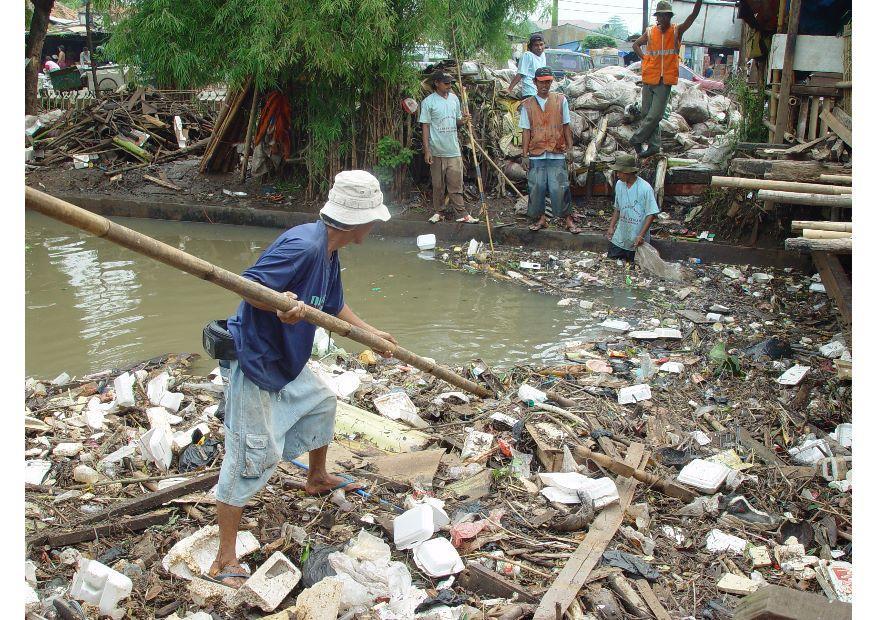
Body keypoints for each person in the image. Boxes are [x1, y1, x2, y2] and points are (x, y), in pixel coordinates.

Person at [207, 170, 397, 587]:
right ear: (357, 221)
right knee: (249, 458)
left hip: (284, 362)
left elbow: (334, 305)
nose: (375, 226)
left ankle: (316, 477)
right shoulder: (304, 245)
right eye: (374, 219)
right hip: (256, 362)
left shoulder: (329, 253)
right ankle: (223, 559)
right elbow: (250, 286)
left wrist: (370, 334)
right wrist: (278, 304)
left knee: (321, 403)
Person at [630, 0, 704, 158]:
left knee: (655, 115)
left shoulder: (677, 30)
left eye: (665, 16)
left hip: (664, 81)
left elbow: (693, 16)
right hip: (650, 77)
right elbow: (636, 45)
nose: (662, 19)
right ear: (657, 17)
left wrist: (699, 3)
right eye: (660, 16)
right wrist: (645, 59)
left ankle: (637, 139)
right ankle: (654, 146)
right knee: (645, 113)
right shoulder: (650, 32)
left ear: (669, 17)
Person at [519, 67, 579, 233]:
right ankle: (541, 219)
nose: (545, 85)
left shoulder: (561, 100)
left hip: (556, 151)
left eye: (548, 82)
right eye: (542, 82)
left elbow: (566, 125)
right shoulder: (528, 105)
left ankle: (568, 220)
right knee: (536, 189)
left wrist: (570, 148)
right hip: (536, 153)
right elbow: (526, 131)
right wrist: (524, 155)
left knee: (560, 188)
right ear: (535, 82)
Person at [418, 70, 476, 223]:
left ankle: (462, 214)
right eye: (446, 83)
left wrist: (463, 120)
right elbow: (425, 126)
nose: (449, 86)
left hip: (453, 150)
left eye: (450, 83)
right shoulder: (428, 102)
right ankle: (439, 212)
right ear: (436, 83)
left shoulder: (454, 99)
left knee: (456, 185)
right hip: (436, 150)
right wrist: (427, 150)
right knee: (438, 185)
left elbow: (456, 121)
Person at [606, 153, 660, 262]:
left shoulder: (645, 188)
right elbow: (617, 208)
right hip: (621, 234)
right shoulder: (619, 184)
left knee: (635, 263)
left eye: (619, 172)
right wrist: (611, 227)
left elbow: (651, 213)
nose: (617, 175)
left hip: (636, 235)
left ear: (628, 172)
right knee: (612, 260)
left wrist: (641, 235)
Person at [508, 34, 547, 98]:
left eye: (541, 44)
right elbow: (520, 74)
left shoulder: (543, 55)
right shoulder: (527, 55)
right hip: (530, 92)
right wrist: (509, 89)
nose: (539, 48)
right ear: (531, 47)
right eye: (536, 45)